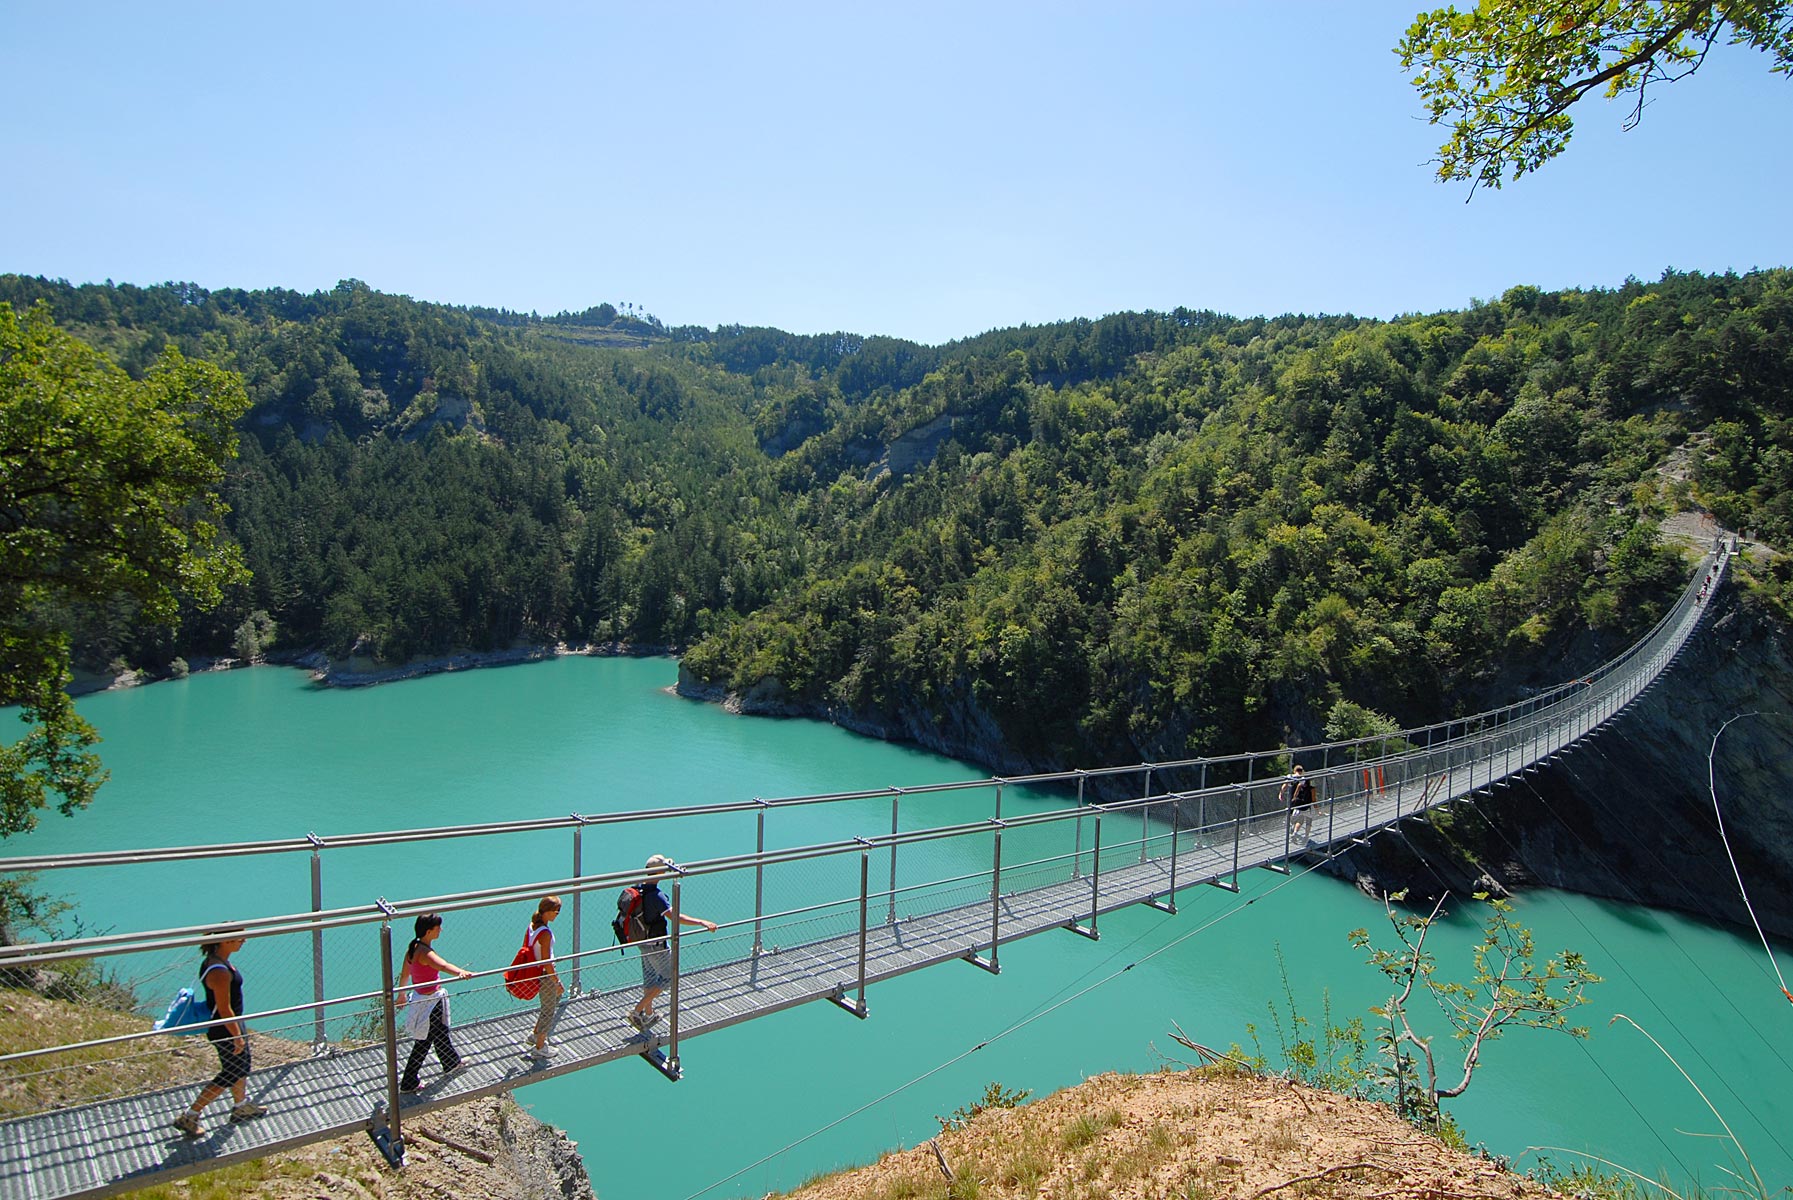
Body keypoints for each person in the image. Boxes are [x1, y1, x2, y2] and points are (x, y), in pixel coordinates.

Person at [170, 929, 265, 1137]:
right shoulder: (219, 971)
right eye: (240, 937)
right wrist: (236, 1036)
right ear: (225, 940)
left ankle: (241, 1106)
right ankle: (190, 1115)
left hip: (232, 1024)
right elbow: (224, 1008)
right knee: (229, 1073)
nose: (244, 940)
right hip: (225, 1028)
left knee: (239, 1068)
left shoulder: (217, 960)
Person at [627, 854, 717, 1032]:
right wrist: (701, 922)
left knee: (651, 978)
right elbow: (675, 917)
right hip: (656, 944)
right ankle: (637, 1011)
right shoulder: (657, 896)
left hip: (642, 941)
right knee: (669, 977)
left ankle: (648, 1014)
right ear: (660, 871)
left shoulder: (639, 888)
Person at [396, 912, 473, 1093]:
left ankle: (450, 1062)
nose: (441, 930)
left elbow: (405, 974)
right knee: (425, 1040)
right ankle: (409, 1081)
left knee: (439, 1033)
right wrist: (461, 972)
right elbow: (443, 965)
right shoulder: (425, 952)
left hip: (422, 999)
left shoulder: (413, 948)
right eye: (438, 927)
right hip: (431, 1001)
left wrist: (401, 994)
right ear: (429, 931)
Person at [524, 895, 563, 1061]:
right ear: (546, 912)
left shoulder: (532, 926)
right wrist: (557, 981)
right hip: (546, 975)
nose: (557, 915)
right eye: (556, 911)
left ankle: (535, 1034)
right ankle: (540, 1047)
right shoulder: (545, 933)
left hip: (537, 973)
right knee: (549, 1010)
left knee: (550, 1003)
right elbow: (547, 961)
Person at [1281, 765, 1317, 843]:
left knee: (1294, 816)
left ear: (1294, 770)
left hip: (1295, 801)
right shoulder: (1305, 781)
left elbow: (1285, 786)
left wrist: (1281, 793)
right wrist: (1317, 808)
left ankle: (1292, 829)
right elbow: (1313, 798)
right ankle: (1305, 836)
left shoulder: (1290, 776)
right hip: (1305, 804)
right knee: (1306, 820)